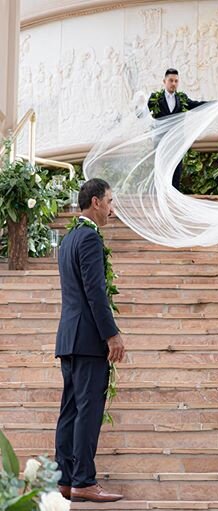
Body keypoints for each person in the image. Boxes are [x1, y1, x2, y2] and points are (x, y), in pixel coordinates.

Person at [54, 178, 126, 503]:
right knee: (87, 410)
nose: (112, 209)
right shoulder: (89, 239)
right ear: (95, 202)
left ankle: (66, 480)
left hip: (69, 338)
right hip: (87, 340)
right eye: (110, 202)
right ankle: (83, 480)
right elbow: (95, 292)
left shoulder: (68, 239)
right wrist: (112, 334)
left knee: (69, 411)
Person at [147, 68, 208, 190]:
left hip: (177, 143)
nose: (174, 83)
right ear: (164, 81)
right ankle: (160, 201)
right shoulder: (155, 98)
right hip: (161, 143)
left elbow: (195, 105)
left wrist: (214, 104)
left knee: (176, 173)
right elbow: (142, 113)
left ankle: (173, 204)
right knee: (161, 173)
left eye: (176, 81)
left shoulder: (182, 98)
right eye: (171, 80)